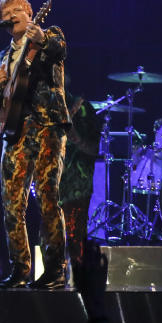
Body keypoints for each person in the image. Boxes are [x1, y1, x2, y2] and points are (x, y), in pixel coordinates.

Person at [0, 0, 70, 289]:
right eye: (5, 15)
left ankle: (56, 269)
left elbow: (59, 51)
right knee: (12, 202)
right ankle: (20, 268)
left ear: (30, 12)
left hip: (47, 125)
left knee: (48, 196)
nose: (11, 16)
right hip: (15, 132)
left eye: (16, 11)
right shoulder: (2, 57)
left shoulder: (48, 35)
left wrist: (43, 39)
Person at [60, 91, 102, 265]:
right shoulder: (43, 106)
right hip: (51, 186)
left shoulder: (83, 108)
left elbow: (94, 149)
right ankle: (53, 278)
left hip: (77, 186)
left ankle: (78, 283)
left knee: (76, 239)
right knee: (49, 236)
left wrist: (76, 139)